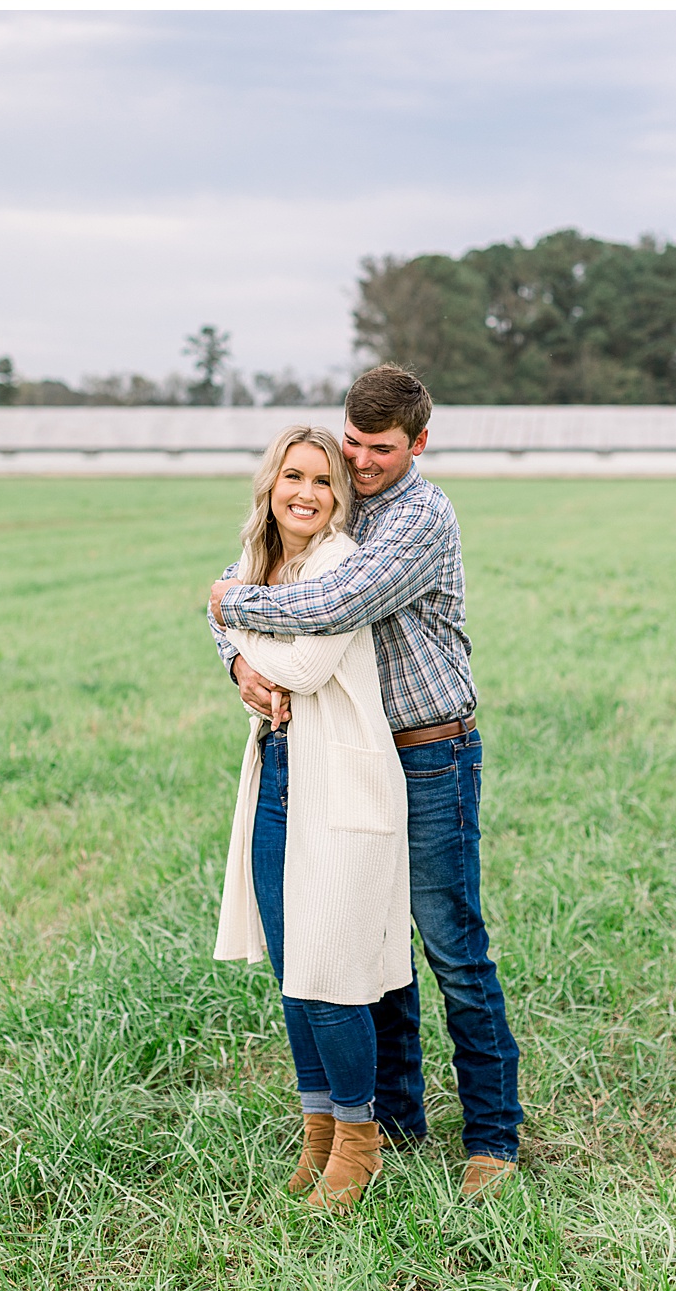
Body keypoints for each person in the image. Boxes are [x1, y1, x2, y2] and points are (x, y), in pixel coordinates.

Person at [209, 363, 522, 1199]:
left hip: (430, 751)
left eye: (379, 449)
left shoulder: (418, 515)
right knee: (371, 948)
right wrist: (234, 654)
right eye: (352, 441)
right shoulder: (335, 490)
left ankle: (493, 1137)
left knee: (450, 948)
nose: (361, 461)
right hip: (346, 760)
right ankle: (394, 1121)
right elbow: (263, 569)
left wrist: (224, 607)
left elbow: (327, 607)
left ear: (419, 443)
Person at [213, 424, 412, 1210]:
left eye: (323, 481)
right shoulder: (266, 566)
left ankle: (361, 1142)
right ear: (270, 485)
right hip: (279, 781)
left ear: (339, 499)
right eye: (292, 476)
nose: (306, 492)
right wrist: (236, 644)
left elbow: (305, 664)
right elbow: (229, 622)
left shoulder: (338, 563)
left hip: (343, 787)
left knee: (333, 979)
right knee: (298, 977)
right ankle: (319, 1130)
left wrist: (237, 627)